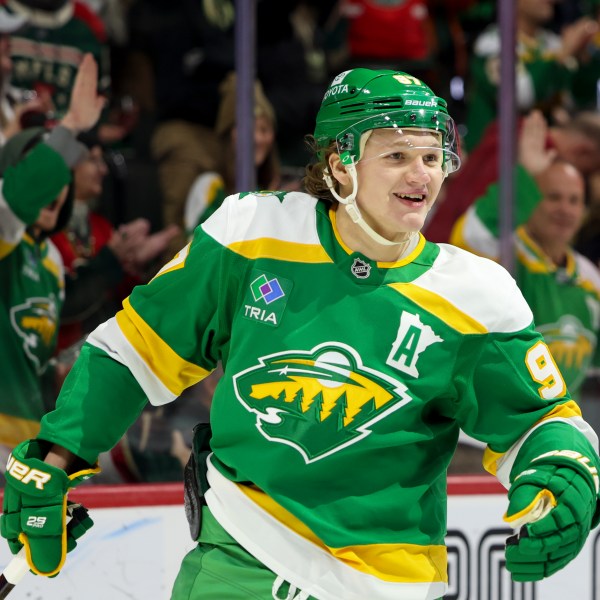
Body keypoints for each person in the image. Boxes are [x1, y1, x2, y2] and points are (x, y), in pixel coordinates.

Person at [2, 68, 600, 599]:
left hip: (386, 587)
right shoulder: (253, 234)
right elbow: (133, 351)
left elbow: (540, 421)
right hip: (238, 568)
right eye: (395, 155)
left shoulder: (476, 293)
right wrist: (55, 459)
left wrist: (566, 471)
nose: (421, 173)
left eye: (432, 155)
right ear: (341, 163)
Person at [451, 110, 600, 404]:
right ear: (531, 198)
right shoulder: (500, 256)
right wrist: (523, 176)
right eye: (553, 197)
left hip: (554, 435)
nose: (565, 210)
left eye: (574, 200)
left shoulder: (588, 278)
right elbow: (473, 233)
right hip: (484, 438)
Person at [0, 52, 102, 468]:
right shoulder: (5, 238)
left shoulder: (51, 263)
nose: (54, 187)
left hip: (28, 437)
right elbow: (14, 202)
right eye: (42, 169)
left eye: (61, 175)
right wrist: (69, 128)